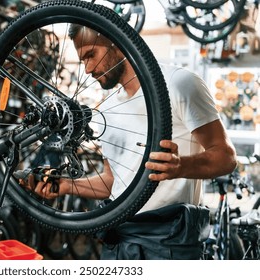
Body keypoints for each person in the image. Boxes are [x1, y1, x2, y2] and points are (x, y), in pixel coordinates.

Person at [22, 25, 237, 259]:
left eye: (91, 55)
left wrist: (181, 167)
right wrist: (66, 185)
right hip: (119, 239)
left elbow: (226, 157)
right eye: (82, 60)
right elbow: (113, 181)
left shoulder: (179, 83)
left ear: (117, 43)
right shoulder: (107, 107)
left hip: (169, 241)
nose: (88, 69)